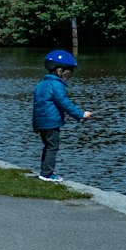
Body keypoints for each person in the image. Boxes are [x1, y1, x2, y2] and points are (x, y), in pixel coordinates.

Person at [32, 48, 92, 183]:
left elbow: (37, 107)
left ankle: (44, 171)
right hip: (51, 122)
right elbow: (64, 103)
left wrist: (35, 125)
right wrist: (81, 114)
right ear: (59, 71)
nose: (70, 76)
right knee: (53, 147)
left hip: (41, 123)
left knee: (47, 146)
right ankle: (47, 174)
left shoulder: (41, 84)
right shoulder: (57, 85)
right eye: (69, 73)